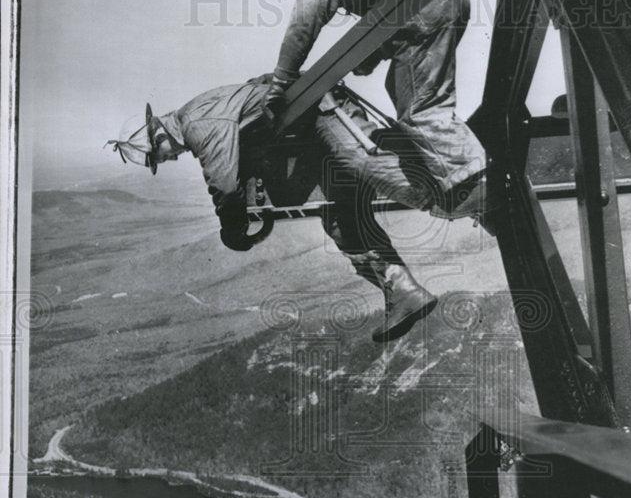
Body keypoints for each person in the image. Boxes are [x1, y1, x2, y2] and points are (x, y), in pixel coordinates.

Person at [107, 79, 438, 343]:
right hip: (312, 128)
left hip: (323, 114)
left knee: (383, 174)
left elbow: (223, 181)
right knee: (340, 220)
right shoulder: (196, 117)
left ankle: (449, 193)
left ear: (158, 132)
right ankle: (404, 292)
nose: (167, 159)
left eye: (158, 155)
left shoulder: (196, 124)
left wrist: (232, 227)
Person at [261, 0, 488, 205]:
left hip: (423, 9)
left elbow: (302, 25)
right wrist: (369, 58)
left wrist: (281, 81)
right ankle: (444, 165)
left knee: (420, 108)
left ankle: (473, 181)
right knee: (401, 87)